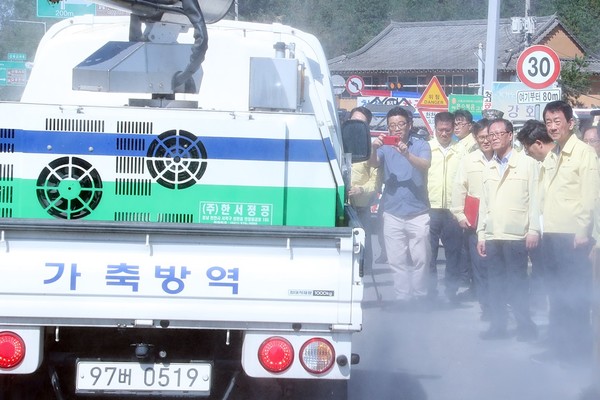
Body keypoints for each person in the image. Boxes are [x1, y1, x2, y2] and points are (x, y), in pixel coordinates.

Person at [531, 100, 600, 365]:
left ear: (570, 123)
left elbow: (591, 195)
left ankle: (577, 351)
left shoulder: (584, 153)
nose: (552, 126)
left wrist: (583, 230)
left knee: (575, 296)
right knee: (557, 294)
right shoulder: (552, 154)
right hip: (552, 235)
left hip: (574, 238)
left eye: (557, 121)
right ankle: (559, 346)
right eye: (548, 122)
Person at [476, 118, 540, 341]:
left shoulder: (527, 164)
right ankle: (498, 326)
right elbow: (484, 204)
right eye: (489, 134)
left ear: (510, 135)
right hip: (494, 234)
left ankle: (525, 327)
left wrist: (533, 229)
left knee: (518, 284)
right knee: (495, 285)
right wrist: (481, 234)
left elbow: (535, 200)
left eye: (497, 133)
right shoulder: (489, 166)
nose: (492, 138)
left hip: (517, 235)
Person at [368, 106, 431, 306]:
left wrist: (406, 154)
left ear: (409, 125)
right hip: (393, 211)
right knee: (396, 260)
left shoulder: (420, 144)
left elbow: (424, 165)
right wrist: (373, 148)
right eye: (392, 125)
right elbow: (373, 164)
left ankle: (420, 294)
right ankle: (403, 296)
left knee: (421, 258)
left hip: (418, 211)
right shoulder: (385, 147)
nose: (396, 129)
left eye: (400, 124)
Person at [451, 118, 493, 319]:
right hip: (475, 223)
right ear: (475, 138)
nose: (486, 141)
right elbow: (459, 188)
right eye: (482, 137)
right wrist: (459, 214)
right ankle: (487, 307)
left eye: (489, 136)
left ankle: (501, 304)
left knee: (498, 267)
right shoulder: (469, 160)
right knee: (480, 267)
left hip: (499, 222)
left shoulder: (505, 158)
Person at [516, 119, 558, 312]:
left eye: (527, 148)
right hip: (545, 231)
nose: (527, 153)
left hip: (561, 234)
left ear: (539, 143)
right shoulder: (541, 164)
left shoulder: (559, 162)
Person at [427, 111, 463, 305]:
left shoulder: (462, 151)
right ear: (435, 128)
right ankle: (430, 291)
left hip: (453, 210)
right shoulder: (426, 149)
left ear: (453, 129)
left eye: (447, 130)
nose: (444, 133)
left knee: (453, 253)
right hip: (430, 207)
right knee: (429, 253)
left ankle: (451, 291)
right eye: (440, 130)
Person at [347, 107, 380, 271]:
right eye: (354, 121)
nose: (357, 125)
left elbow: (375, 180)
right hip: (341, 204)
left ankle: (364, 273)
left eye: (361, 122)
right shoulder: (339, 140)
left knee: (363, 243)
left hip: (361, 206)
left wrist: (361, 189)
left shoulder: (372, 147)